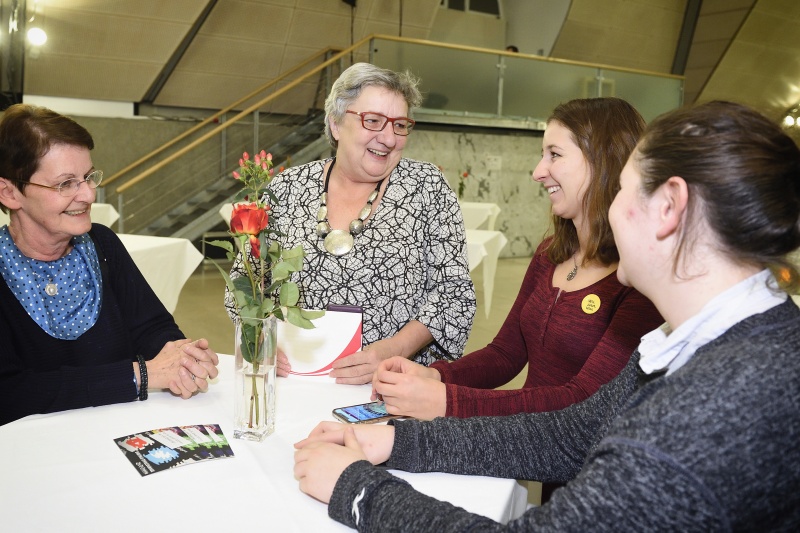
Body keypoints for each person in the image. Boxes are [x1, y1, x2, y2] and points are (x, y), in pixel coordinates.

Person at [293, 100, 800, 530]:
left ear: (669, 206)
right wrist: (398, 440)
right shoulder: (725, 339)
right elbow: (573, 433)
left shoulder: (703, 413)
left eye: (622, 189)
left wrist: (356, 488)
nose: (613, 207)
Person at [370, 98, 662, 420]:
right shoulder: (550, 254)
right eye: (542, 155)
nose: (538, 172)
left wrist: (447, 400)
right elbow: (505, 354)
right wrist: (435, 376)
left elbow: (583, 400)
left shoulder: (639, 278)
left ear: (602, 161)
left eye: (555, 154)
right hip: (524, 444)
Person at [227, 63, 475, 385]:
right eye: (372, 121)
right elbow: (244, 280)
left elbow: (453, 294)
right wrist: (258, 338)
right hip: (293, 381)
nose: (388, 138)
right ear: (336, 124)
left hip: (389, 386)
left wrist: (393, 350)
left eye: (400, 125)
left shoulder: (426, 186)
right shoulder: (287, 187)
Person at [0, 104, 220, 426]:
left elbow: (151, 326)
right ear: (9, 192)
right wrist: (140, 375)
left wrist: (183, 356)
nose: (88, 194)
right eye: (66, 184)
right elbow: (11, 392)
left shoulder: (102, 243)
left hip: (119, 428)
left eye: (88, 177)